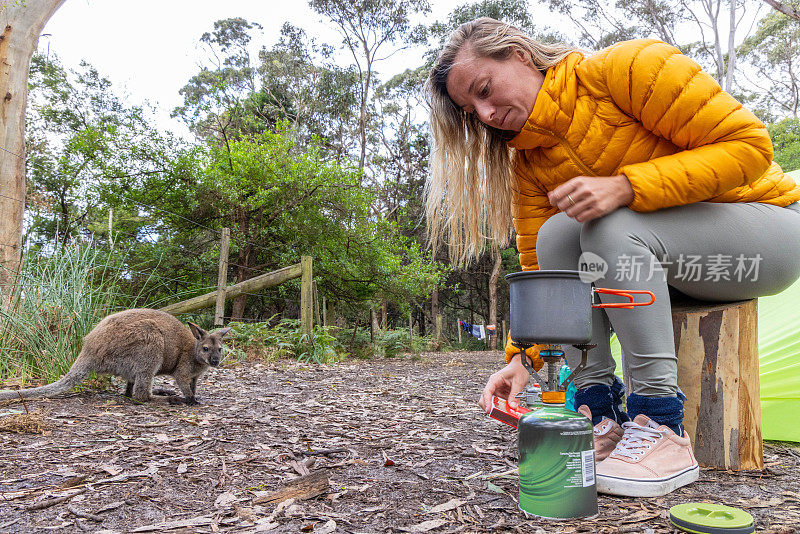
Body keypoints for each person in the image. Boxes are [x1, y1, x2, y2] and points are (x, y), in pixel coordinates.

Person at [425, 17, 800, 498]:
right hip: (667, 263)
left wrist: (626, 186)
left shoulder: (626, 69)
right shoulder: (530, 160)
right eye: (472, 109)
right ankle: (601, 417)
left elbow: (750, 148)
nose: (486, 114)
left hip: (765, 232)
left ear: (518, 54)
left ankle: (661, 425)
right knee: (559, 235)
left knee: (608, 223)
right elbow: (547, 274)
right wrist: (524, 358)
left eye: (484, 89)